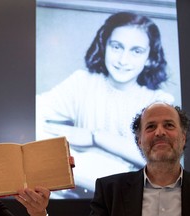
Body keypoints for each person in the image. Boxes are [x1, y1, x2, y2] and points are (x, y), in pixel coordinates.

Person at [36, 11, 176, 197]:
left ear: (150, 57)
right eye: (117, 47)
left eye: (136, 51)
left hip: (129, 197)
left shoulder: (158, 101)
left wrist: (95, 138)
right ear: (104, 46)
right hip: (82, 193)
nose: (123, 60)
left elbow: (160, 158)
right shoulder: (82, 82)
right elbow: (36, 112)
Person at [89, 102, 190, 215]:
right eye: (151, 126)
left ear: (183, 138)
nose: (160, 132)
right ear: (139, 141)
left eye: (169, 125)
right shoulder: (109, 192)